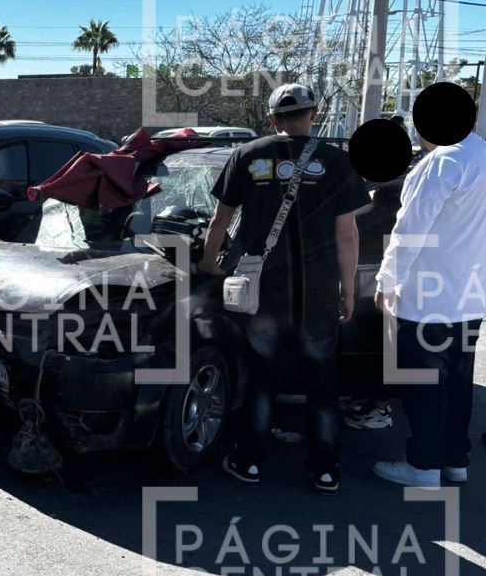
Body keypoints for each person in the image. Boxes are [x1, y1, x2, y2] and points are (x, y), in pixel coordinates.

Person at [199, 83, 370, 494]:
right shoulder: (336, 160)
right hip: (317, 293)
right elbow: (347, 234)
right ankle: (326, 470)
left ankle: (249, 462)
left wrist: (208, 263)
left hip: (263, 294)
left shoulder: (247, 155)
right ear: (314, 115)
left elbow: (220, 220)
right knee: (323, 383)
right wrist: (349, 291)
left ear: (273, 119)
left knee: (263, 378)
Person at [372, 129, 486, 488]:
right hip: (470, 295)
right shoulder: (480, 155)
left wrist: (386, 281)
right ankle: (455, 459)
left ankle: (422, 466)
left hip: (428, 296)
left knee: (424, 384)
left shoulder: (442, 163)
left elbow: (409, 229)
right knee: (457, 381)